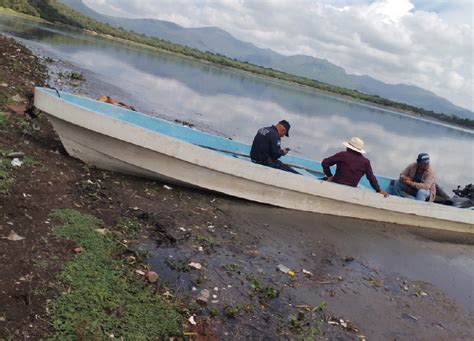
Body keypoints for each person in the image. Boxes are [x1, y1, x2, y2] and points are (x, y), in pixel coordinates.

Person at [321, 137, 388, 197]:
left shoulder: (343, 155)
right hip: (351, 190)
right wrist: (378, 190)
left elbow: (325, 163)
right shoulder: (365, 162)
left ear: (349, 147)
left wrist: (329, 176)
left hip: (336, 184)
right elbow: (371, 178)